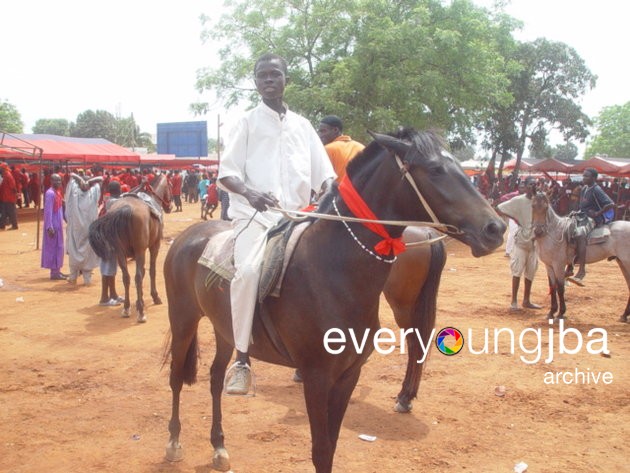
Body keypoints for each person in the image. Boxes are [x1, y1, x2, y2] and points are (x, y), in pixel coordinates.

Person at [218, 52, 336, 395]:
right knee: (250, 273)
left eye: (275, 74)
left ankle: (314, 351)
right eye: (262, 76)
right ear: (256, 83)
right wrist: (250, 193)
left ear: (286, 79)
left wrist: (330, 193)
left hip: (299, 216)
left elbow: (324, 174)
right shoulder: (246, 122)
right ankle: (241, 360)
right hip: (256, 216)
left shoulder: (303, 125)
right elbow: (227, 172)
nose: (268, 80)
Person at [496, 177, 541, 311]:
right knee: (517, 270)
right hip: (522, 240)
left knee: (531, 272)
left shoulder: (539, 201)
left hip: (535, 242)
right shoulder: (518, 200)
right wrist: (516, 219)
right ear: (525, 186)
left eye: (535, 184)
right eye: (530, 184)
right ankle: (514, 301)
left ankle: (526, 300)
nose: (533, 186)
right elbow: (499, 208)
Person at [568, 167, 615, 283]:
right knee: (566, 229)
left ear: (594, 178)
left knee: (580, 234)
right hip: (583, 216)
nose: (584, 178)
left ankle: (582, 270)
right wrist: (576, 212)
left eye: (586, 176)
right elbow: (583, 207)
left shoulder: (596, 189)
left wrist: (597, 213)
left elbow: (610, 204)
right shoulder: (584, 189)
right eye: (583, 175)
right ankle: (569, 266)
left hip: (594, 218)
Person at [65, 173, 102, 285]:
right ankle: (85, 278)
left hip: (78, 232)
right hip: (85, 232)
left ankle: (74, 277)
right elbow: (100, 180)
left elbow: (71, 177)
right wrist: (90, 181)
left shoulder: (74, 195)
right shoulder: (93, 194)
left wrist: (80, 179)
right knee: (87, 253)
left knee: (75, 251)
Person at [97, 180, 124, 306]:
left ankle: (113, 294)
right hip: (107, 239)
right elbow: (125, 199)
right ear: (118, 191)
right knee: (107, 268)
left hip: (106, 237)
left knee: (111, 268)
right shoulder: (114, 202)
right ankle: (104, 298)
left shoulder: (109, 200)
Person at [317, 115, 365, 182]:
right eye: (319, 132)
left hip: (338, 191)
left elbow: (320, 180)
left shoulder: (327, 149)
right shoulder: (361, 147)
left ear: (335, 130)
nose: (320, 135)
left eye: (323, 131)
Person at [41, 174, 67, 280]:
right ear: (51, 181)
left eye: (60, 181)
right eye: (56, 181)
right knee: (53, 248)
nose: (58, 183)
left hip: (59, 224)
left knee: (59, 247)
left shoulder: (58, 193)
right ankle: (54, 273)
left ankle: (57, 270)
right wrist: (49, 226)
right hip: (53, 224)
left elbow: (61, 207)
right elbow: (48, 211)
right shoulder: (50, 193)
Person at [0, 163, 19, 230]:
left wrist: (15, 195)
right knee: (4, 212)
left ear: (4, 169)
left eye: (1, 168)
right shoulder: (5, 175)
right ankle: (2, 225)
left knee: (11, 212)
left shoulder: (8, 175)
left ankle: (15, 225)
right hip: (5, 198)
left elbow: (13, 187)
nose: (0, 169)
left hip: (9, 198)